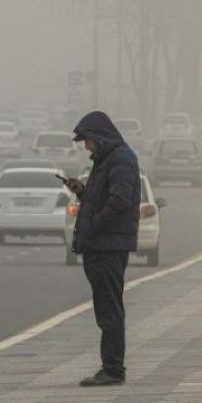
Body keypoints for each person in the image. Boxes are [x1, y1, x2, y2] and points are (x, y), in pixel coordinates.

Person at [67, 111, 140, 387]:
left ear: (100, 137)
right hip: (102, 244)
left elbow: (119, 201)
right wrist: (82, 192)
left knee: (109, 310)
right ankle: (110, 367)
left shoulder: (120, 159)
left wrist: (95, 224)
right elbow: (104, 198)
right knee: (106, 309)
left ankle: (112, 369)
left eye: (87, 140)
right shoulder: (108, 160)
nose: (86, 146)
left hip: (108, 246)